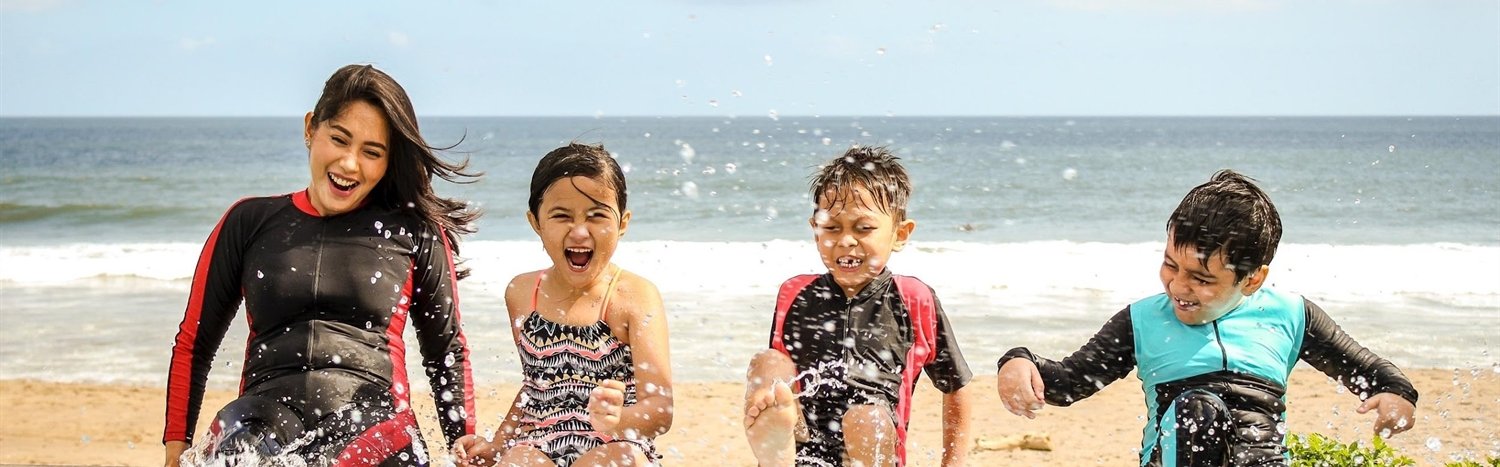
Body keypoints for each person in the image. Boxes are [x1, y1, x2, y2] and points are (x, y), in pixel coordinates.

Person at [162, 64, 481, 466]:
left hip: (374, 421)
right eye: (339, 139)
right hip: (260, 417)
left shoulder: (414, 231)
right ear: (311, 128)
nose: (350, 164)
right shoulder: (249, 221)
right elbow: (195, 341)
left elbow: (445, 349)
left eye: (372, 152)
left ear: (387, 162)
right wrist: (176, 451)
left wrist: (463, 441)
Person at [995, 170, 1420, 467]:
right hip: (1178, 450)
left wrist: (1397, 395)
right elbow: (1069, 383)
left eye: (1201, 279)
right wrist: (1018, 361)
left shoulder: (1289, 314)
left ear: (1252, 280)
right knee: (1199, 410)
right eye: (1169, 265)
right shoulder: (1142, 321)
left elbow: (1368, 370)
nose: (1178, 287)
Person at [744, 146, 975, 467]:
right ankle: (777, 455)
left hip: (874, 448)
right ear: (815, 230)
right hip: (805, 445)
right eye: (832, 227)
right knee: (768, 362)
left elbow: (955, 387)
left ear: (900, 234)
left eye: (863, 228)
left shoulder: (913, 298)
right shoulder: (795, 292)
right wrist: (770, 393)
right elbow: (784, 373)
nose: (846, 240)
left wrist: (953, 464)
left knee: (865, 418)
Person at [451, 143, 673, 467]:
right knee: (516, 461)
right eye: (561, 216)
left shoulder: (633, 297)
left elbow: (661, 409)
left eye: (597, 216)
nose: (580, 231)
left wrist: (619, 418)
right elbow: (535, 386)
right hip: (539, 443)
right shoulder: (522, 293)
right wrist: (497, 445)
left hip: (616, 444)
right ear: (536, 223)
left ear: (623, 223)